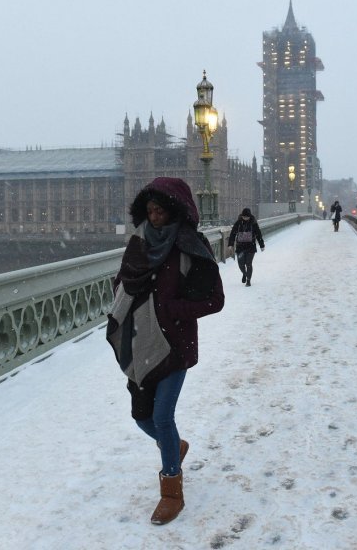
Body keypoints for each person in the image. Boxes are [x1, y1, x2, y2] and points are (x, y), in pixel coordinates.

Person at [106, 177, 225, 525]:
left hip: (175, 345)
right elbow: (123, 280)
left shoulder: (192, 246)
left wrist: (173, 308)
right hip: (141, 342)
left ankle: (171, 491)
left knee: (162, 416)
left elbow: (215, 300)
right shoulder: (139, 244)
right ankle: (173, 444)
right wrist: (123, 295)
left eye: (160, 211)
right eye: (150, 211)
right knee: (142, 417)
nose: (154, 217)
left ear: (175, 210)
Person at [227, 207, 265, 287]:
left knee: (248, 263)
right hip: (240, 246)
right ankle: (245, 273)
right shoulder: (238, 223)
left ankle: (248, 280)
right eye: (244, 217)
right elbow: (233, 234)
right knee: (241, 264)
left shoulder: (253, 223)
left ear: (250, 216)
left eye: (247, 217)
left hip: (251, 246)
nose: (245, 218)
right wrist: (230, 244)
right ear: (242, 216)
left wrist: (262, 245)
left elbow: (258, 234)